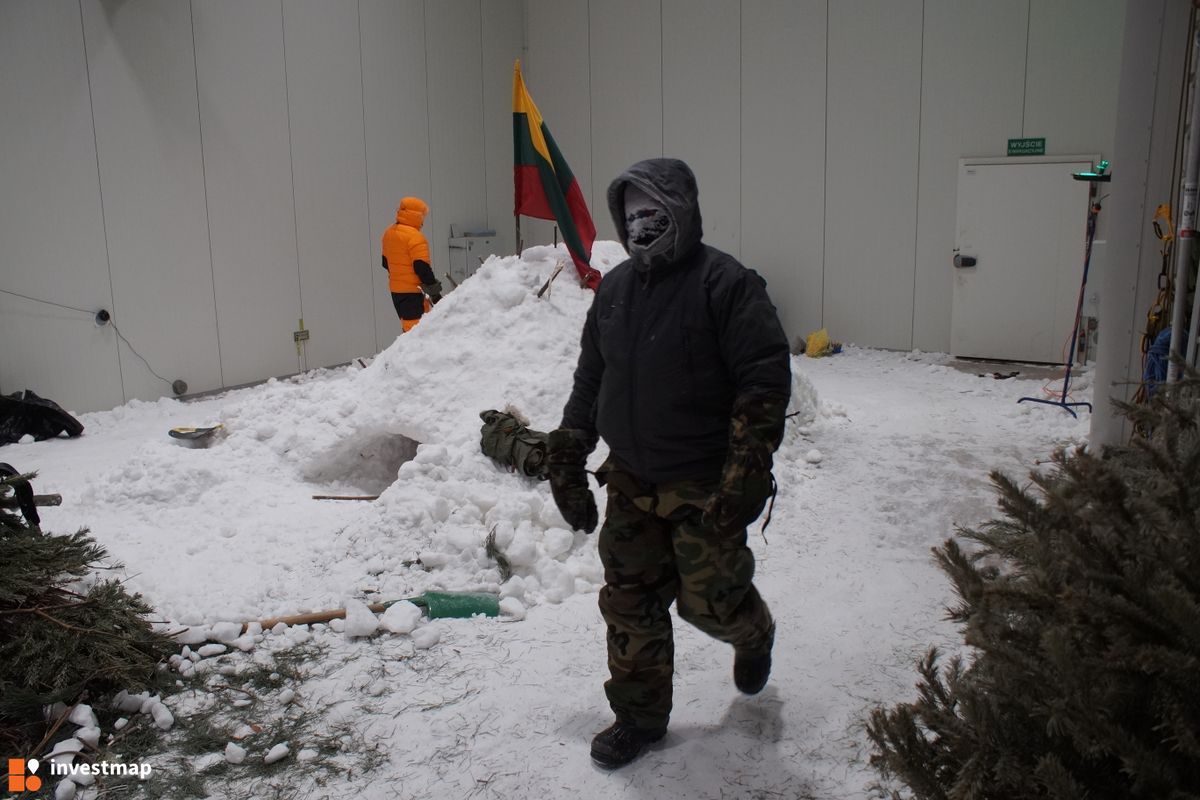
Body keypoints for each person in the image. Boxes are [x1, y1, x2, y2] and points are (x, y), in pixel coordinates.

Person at [547, 158, 792, 769]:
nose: (641, 227)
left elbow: (762, 381)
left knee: (710, 602)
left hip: (705, 479)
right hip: (631, 476)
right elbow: (592, 376)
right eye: (631, 216)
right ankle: (639, 718)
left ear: (682, 211)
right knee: (629, 602)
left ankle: (752, 631)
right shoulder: (617, 290)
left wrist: (747, 470)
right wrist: (571, 447)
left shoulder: (727, 284)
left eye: (654, 213)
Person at [381, 197, 443, 332]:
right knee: (417, 334)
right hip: (413, 293)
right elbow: (422, 268)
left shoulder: (388, 233)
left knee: (408, 328)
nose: (423, 221)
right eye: (423, 216)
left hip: (396, 291)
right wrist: (435, 293)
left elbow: (385, 263)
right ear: (416, 216)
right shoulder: (416, 237)